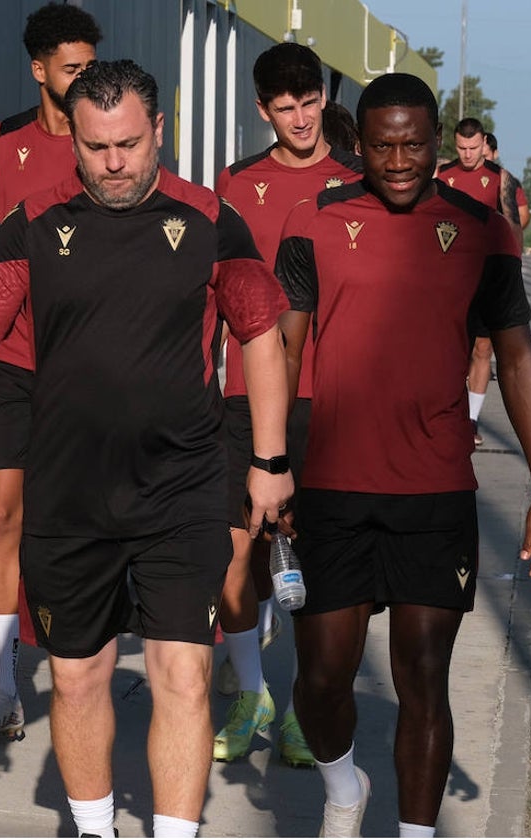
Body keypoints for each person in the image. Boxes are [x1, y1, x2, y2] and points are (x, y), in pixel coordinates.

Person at [0, 59, 293, 839]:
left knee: (184, 676)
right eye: (97, 147)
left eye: (129, 143)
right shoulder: (32, 220)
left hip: (183, 485)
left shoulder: (209, 220)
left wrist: (269, 461)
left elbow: (261, 335)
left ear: (158, 130)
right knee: (76, 678)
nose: (115, 163)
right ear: (74, 139)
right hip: (70, 491)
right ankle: (95, 830)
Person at [275, 72, 531, 837]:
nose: (398, 160)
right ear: (358, 145)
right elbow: (281, 352)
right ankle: (343, 786)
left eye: (413, 145)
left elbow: (518, 358)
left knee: (423, 678)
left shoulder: (481, 228)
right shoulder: (314, 219)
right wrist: (267, 462)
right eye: (382, 146)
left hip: (435, 494)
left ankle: (415, 833)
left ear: (439, 144)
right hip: (332, 489)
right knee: (322, 681)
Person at [0, 2, 101, 748]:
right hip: (14, 364)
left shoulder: (109, 139)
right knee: (1, 516)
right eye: (72, 69)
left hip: (93, 366)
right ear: (39, 69)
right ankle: (3, 687)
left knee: (79, 528)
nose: (84, 79)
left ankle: (83, 671)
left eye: (91, 67)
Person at [210, 41, 362, 768]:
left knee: (315, 564)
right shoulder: (236, 181)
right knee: (235, 558)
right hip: (244, 396)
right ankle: (249, 695)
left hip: (329, 402)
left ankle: (306, 703)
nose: (300, 118)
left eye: (310, 103)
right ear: (263, 109)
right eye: (285, 107)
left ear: (324, 100)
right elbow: (214, 287)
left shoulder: (360, 180)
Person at [438, 117, 522, 447]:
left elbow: (514, 224)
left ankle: (471, 421)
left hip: (486, 278)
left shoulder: (500, 179)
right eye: (461, 148)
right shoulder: (443, 176)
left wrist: (511, 272)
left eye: (473, 148)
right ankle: (447, 411)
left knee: (482, 348)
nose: (468, 154)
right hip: (449, 279)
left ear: (484, 144)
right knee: (450, 346)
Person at [483, 132, 531, 230]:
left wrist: (505, 233)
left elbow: (524, 216)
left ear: (495, 154)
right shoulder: (457, 178)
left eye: (485, 157)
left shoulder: (508, 182)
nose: (481, 162)